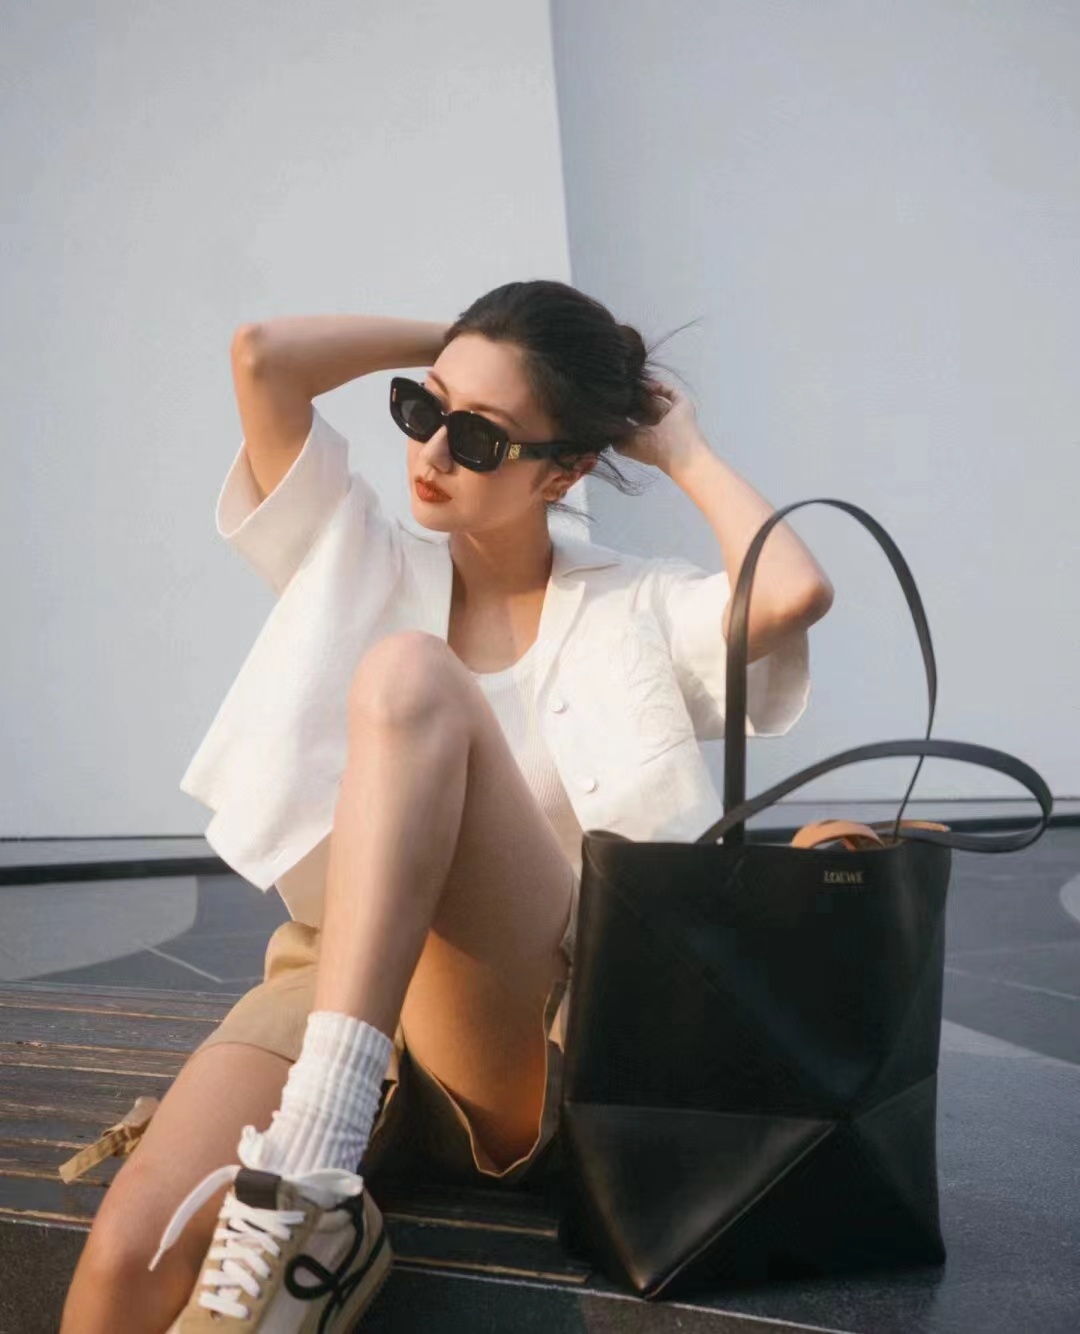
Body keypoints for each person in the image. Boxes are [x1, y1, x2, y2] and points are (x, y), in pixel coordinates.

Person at [60, 280, 833, 1332]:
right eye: (423, 410)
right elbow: (263, 356)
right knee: (127, 1257)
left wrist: (680, 448)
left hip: (530, 1016)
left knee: (411, 676)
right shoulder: (358, 555)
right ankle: (315, 1172)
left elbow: (792, 592)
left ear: (563, 470)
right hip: (331, 977)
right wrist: (470, 344)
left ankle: (312, 1165)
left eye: (478, 438)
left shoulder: (635, 603)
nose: (430, 452)